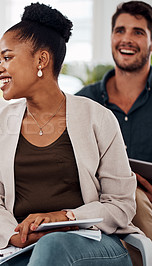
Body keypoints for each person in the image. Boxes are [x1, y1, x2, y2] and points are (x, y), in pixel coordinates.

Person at [0, 3, 141, 265]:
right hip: (20, 246)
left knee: (52, 247)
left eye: (7, 57)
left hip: (92, 243)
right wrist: (14, 235)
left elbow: (120, 204)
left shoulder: (98, 118)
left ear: (41, 60)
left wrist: (64, 217)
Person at [76, 0, 152, 243]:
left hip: (147, 205)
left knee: (138, 199)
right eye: (120, 31)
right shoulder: (84, 101)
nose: (126, 39)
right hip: (95, 208)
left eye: (138, 32)